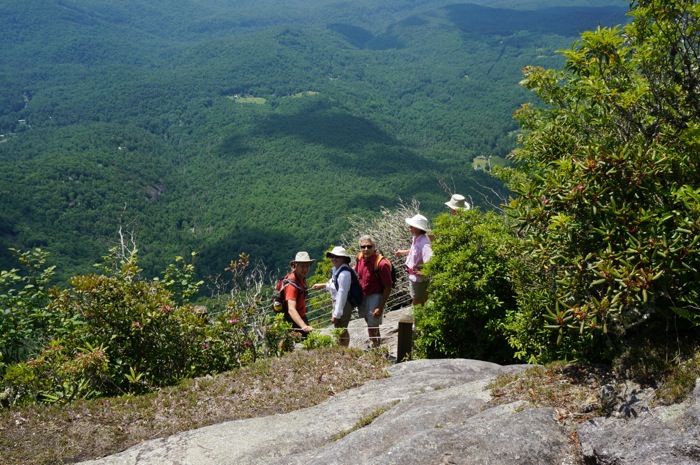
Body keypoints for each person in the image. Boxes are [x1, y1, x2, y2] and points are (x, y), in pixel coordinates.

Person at [354, 235, 392, 348]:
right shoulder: (359, 258)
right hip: (363, 294)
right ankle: (375, 346)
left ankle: (376, 348)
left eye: (369, 246)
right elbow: (356, 271)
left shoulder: (381, 264)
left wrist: (380, 306)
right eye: (363, 247)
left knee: (373, 324)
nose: (366, 249)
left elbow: (388, 286)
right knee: (368, 321)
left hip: (375, 295)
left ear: (374, 247)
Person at [311, 246, 353, 347]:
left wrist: (336, 314)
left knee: (340, 329)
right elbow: (334, 285)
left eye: (337, 256)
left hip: (343, 304)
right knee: (341, 328)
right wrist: (323, 285)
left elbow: (342, 294)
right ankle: (343, 350)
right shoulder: (337, 270)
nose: (334, 258)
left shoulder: (344, 274)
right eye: (332, 256)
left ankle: (342, 351)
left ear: (343, 258)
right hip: (339, 302)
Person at [396, 214, 433, 306]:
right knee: (419, 300)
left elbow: (430, 260)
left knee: (417, 303)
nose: (410, 228)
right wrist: (403, 252)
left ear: (418, 228)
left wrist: (424, 272)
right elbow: (415, 251)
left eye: (411, 226)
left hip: (419, 280)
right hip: (413, 277)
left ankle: (418, 320)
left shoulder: (425, 244)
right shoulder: (416, 238)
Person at [282, 251, 315, 337]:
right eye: (302, 266)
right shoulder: (292, 285)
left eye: (307, 266)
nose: (305, 269)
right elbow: (291, 309)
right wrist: (303, 326)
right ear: (296, 266)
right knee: (288, 346)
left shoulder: (301, 278)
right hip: (292, 320)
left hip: (300, 317)